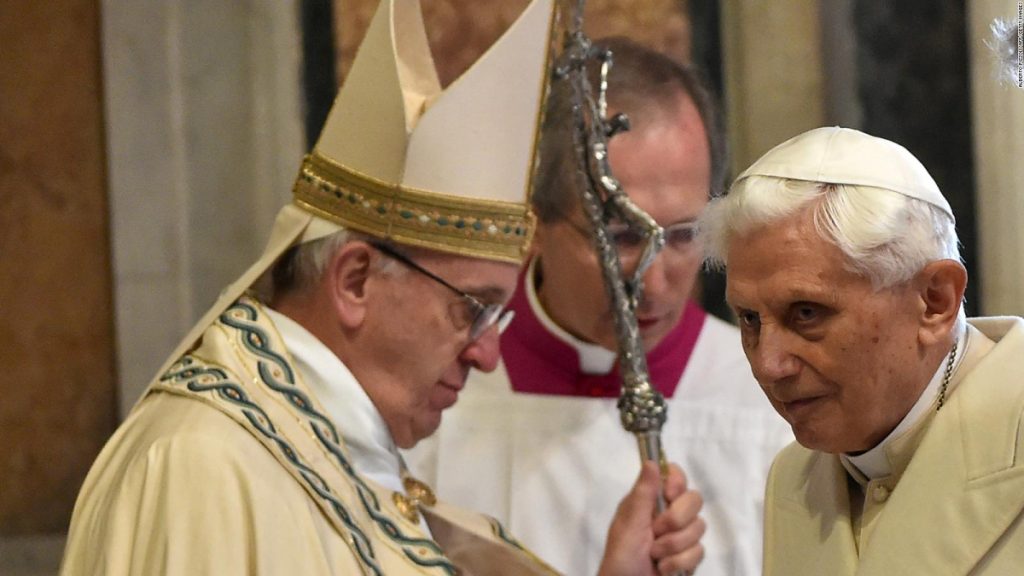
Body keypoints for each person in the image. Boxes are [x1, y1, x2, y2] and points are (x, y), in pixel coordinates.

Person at [59, 1, 706, 574]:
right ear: (356, 280)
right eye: (473, 310)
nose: (488, 355)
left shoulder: (329, 457)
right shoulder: (202, 471)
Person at [404, 37, 792, 576]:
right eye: (621, 238)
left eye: (683, 235)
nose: (652, 283)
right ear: (533, 223)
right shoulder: (434, 401)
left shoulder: (773, 405)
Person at [700, 126, 1024, 575]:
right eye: (750, 319)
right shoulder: (795, 478)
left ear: (935, 300)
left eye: (807, 313)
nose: (768, 365)